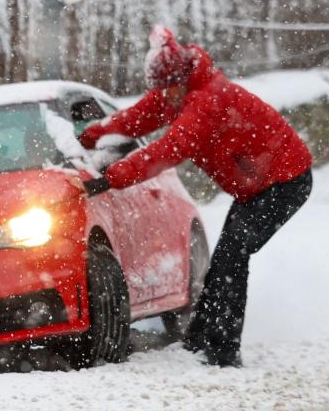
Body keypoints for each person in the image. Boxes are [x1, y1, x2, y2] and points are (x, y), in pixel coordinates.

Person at [78, 25, 313, 368]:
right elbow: (139, 117)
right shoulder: (176, 91)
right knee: (225, 261)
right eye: (160, 89)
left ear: (182, 79)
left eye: (169, 88)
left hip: (285, 182)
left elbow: (171, 149)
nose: (165, 96)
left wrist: (114, 177)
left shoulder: (206, 100)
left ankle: (222, 351)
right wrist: (94, 133)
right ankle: (201, 340)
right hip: (256, 187)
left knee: (232, 259)